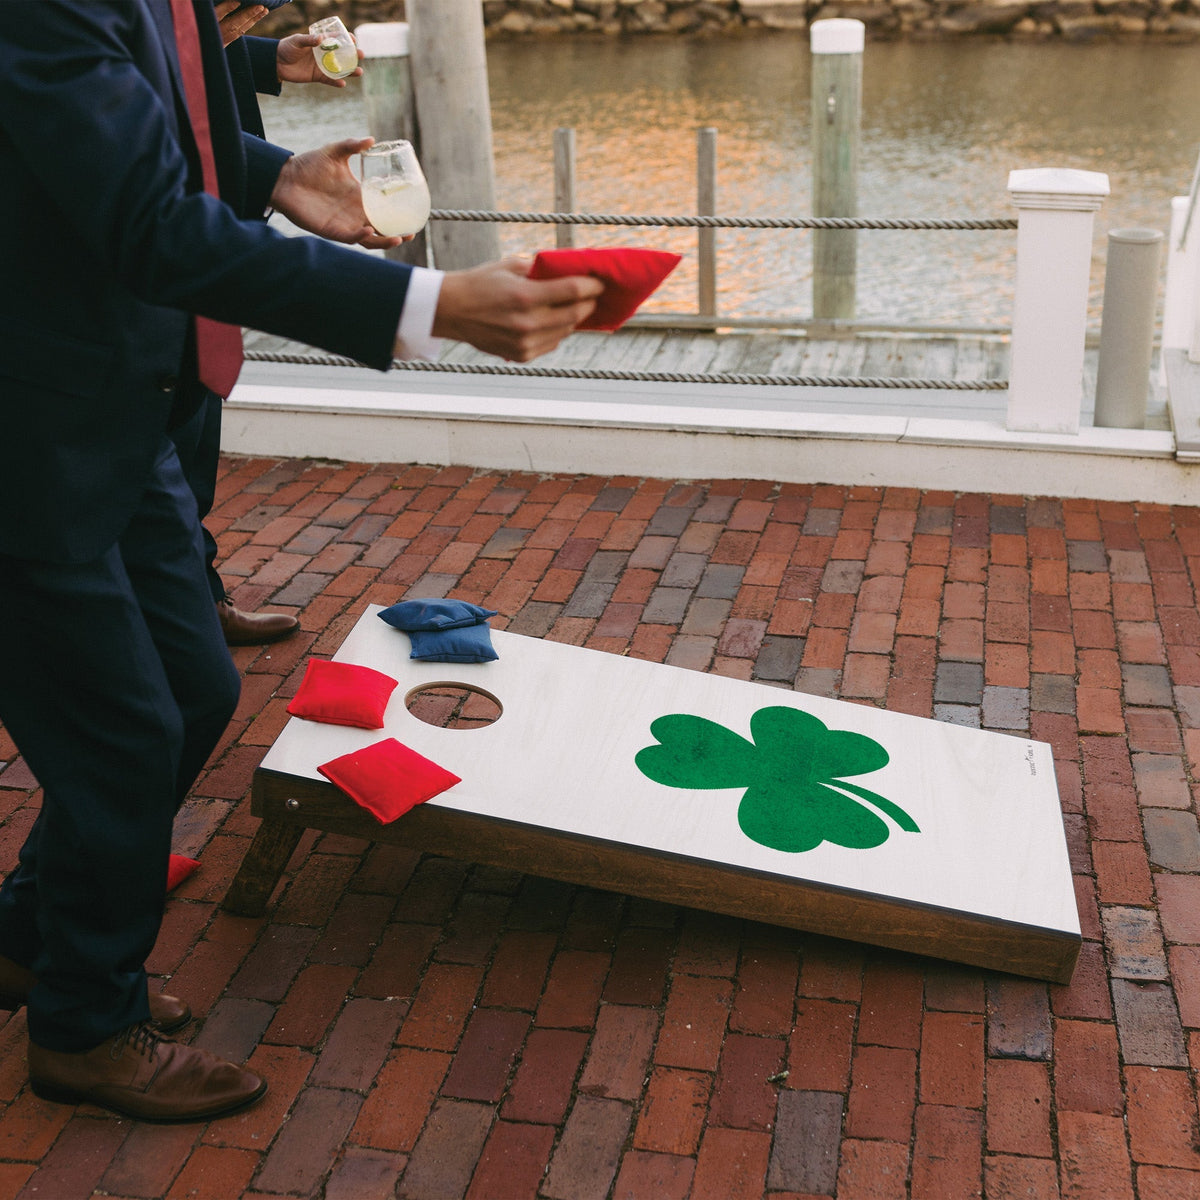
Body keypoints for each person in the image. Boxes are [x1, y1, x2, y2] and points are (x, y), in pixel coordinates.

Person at [0, 0, 601, 1123]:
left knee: (192, 689)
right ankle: (85, 1025)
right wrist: (429, 306)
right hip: (27, 440)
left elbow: (144, 114)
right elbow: (147, 223)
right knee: (122, 738)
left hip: (122, 406)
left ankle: (32, 939)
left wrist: (272, 174)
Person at [177, 2, 370, 645]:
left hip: (216, 238)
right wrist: (282, 173)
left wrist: (265, 56)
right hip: (166, 244)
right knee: (169, 447)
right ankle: (179, 616)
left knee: (194, 441)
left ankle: (197, 601)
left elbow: (179, 45)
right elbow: (130, 95)